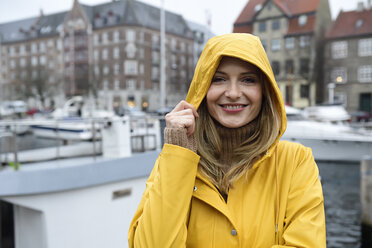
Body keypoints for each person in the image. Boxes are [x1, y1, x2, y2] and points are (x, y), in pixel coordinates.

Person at [128, 33, 326, 247]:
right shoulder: (175, 161)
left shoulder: (295, 161)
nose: (232, 93)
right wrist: (178, 156)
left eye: (248, 80)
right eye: (218, 79)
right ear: (202, 89)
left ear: (264, 91)